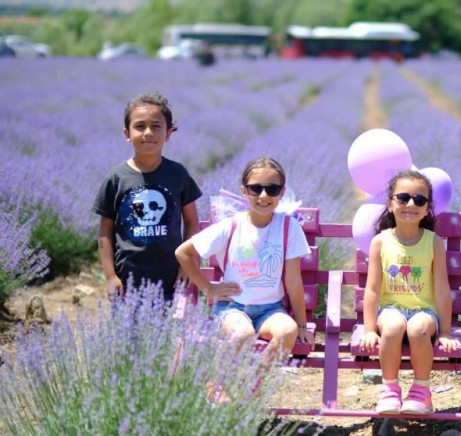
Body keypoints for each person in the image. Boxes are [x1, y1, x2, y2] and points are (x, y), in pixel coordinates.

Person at [175, 157, 312, 359]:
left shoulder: (288, 227)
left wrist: (301, 325)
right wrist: (208, 289)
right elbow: (183, 252)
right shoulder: (231, 226)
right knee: (242, 335)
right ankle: (221, 378)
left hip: (272, 309)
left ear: (282, 193)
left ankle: (259, 378)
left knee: (287, 332)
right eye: (255, 189)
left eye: (272, 189)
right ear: (244, 191)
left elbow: (293, 281)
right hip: (232, 308)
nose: (263, 196)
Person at [359, 170, 459, 415]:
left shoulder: (433, 242)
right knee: (393, 326)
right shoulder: (380, 242)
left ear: (427, 209)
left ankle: (421, 390)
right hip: (390, 309)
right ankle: (389, 389)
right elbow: (372, 290)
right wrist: (370, 329)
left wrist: (445, 332)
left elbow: (442, 290)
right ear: (390, 204)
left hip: (424, 311)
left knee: (418, 328)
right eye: (403, 198)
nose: (411, 204)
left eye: (419, 200)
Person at [93, 91, 201, 301]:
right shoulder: (117, 178)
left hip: (172, 281)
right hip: (127, 282)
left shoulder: (178, 174)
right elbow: (105, 230)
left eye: (156, 126)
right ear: (127, 133)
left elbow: (191, 222)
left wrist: (187, 266)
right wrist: (110, 276)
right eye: (140, 126)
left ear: (168, 133)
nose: (148, 132)